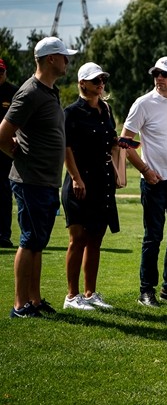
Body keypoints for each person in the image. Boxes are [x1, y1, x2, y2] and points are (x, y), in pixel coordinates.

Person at [0, 37, 76, 317]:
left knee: (38, 242)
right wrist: (18, 155)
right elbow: (2, 134)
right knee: (29, 240)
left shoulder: (49, 91)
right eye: (64, 56)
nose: (67, 61)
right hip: (29, 180)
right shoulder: (30, 92)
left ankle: (34, 300)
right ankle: (20, 305)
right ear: (50, 59)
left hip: (45, 181)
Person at [122, 56, 167, 307]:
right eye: (156, 74)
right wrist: (145, 169)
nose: (159, 78)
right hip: (155, 181)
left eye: (165, 74)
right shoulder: (143, 103)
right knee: (153, 237)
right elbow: (125, 142)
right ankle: (146, 291)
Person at [62, 62, 123, 311]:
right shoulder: (71, 112)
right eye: (95, 80)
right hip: (79, 182)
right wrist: (76, 178)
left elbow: (109, 140)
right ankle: (71, 296)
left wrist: (120, 142)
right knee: (77, 238)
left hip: (102, 181)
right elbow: (66, 148)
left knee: (96, 238)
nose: (100, 84)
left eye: (102, 80)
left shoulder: (106, 110)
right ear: (82, 83)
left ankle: (89, 293)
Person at [0, 58, 18, 249]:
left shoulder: (13, 92)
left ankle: (4, 234)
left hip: (5, 151)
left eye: (1, 72)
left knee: (5, 193)